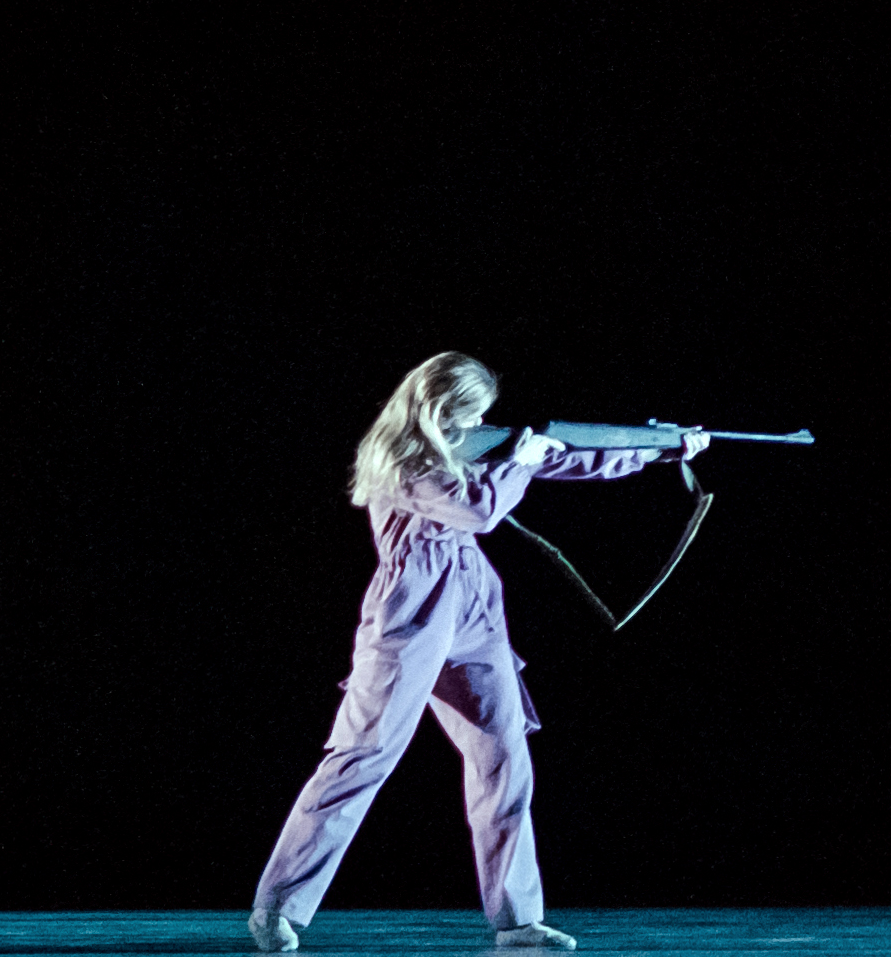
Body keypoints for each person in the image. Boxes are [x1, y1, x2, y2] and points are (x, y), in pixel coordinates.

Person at [248, 353, 704, 952]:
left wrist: (662, 449)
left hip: (474, 605)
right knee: (364, 755)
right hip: (411, 611)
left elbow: (567, 458)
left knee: (503, 756)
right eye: (475, 412)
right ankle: (277, 907)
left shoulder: (476, 448)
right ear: (442, 408)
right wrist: (519, 461)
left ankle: (517, 920)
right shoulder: (399, 457)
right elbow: (479, 510)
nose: (485, 422)